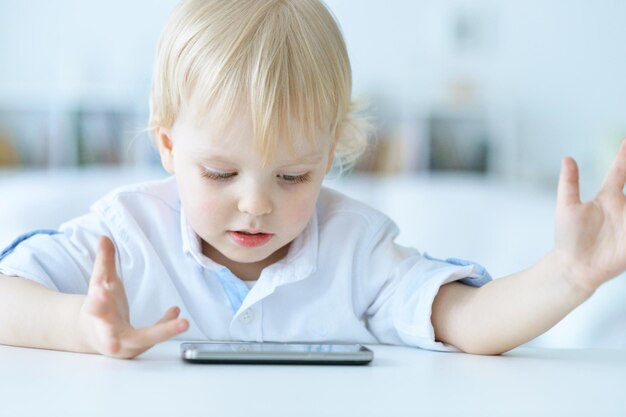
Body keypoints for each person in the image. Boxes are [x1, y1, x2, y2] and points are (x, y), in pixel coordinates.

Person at [0, 0, 625, 360]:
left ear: (330, 156)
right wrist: (78, 326)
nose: (255, 203)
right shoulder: (126, 231)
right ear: (167, 145)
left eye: (294, 175)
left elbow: (470, 321)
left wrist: (567, 275)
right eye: (220, 172)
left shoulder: (357, 248)